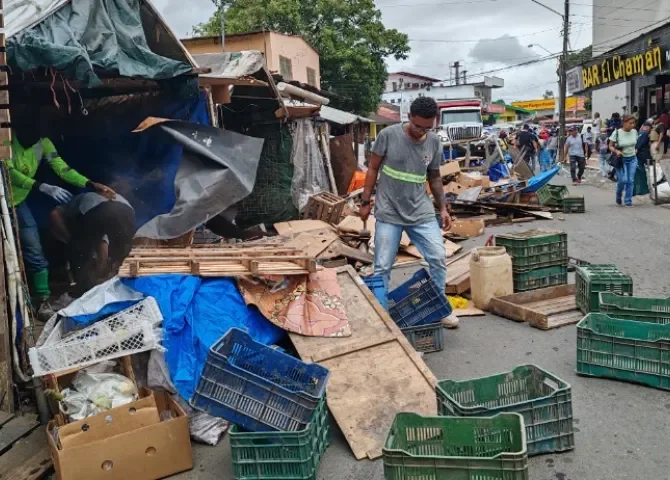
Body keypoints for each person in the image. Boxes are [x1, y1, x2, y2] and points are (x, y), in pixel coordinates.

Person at [360, 97, 459, 329]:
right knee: (383, 265)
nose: (421, 132)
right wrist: (365, 200)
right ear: (409, 118)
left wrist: (443, 208)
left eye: (427, 128)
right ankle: (382, 316)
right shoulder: (388, 136)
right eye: (417, 126)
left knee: (437, 256)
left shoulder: (434, 142)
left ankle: (439, 308)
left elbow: (434, 176)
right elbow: (373, 168)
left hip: (421, 211)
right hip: (388, 211)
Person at [8, 124, 115, 308]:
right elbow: (8, 172)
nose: (35, 140)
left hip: (18, 202)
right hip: (5, 197)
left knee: (33, 245)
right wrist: (41, 186)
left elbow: (62, 169)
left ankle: (42, 299)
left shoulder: (44, 144)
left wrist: (90, 183)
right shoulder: (6, 139)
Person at [50, 192, 136, 293]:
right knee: (123, 252)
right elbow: (103, 241)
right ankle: (127, 288)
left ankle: (85, 291)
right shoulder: (87, 197)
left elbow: (54, 215)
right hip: (127, 211)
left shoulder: (63, 210)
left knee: (81, 255)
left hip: (97, 209)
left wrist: (72, 242)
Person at [609, 114, 639, 207]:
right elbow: (610, 146)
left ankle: (628, 201)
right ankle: (618, 195)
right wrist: (616, 151)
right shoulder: (617, 133)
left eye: (634, 123)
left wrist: (636, 150)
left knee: (630, 180)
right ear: (624, 123)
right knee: (622, 180)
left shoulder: (634, 132)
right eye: (630, 123)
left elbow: (635, 144)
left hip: (633, 158)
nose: (632, 125)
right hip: (621, 160)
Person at [633, 121, 652, 199]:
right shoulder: (645, 134)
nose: (649, 129)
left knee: (640, 170)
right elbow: (642, 143)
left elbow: (637, 143)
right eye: (649, 128)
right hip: (644, 155)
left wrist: (636, 149)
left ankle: (639, 189)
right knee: (645, 171)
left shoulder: (639, 133)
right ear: (647, 127)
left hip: (639, 155)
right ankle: (644, 189)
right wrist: (637, 149)